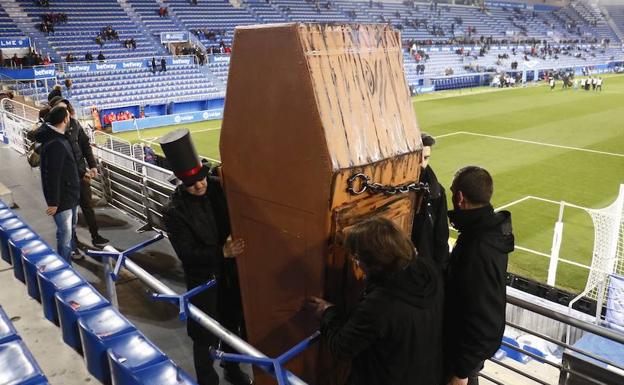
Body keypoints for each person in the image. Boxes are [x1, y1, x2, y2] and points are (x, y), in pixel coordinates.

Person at [160, 129, 252, 385]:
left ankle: (232, 370)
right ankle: (207, 380)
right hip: (204, 281)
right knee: (204, 337)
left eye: (201, 179)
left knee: (233, 328)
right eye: (192, 183)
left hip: (231, 276)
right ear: (181, 183)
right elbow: (186, 255)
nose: (199, 185)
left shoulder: (217, 188)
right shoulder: (174, 212)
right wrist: (221, 253)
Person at [307, 216, 444, 385]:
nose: (356, 263)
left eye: (358, 257)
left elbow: (342, 347)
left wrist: (327, 312)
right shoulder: (427, 270)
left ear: (376, 264)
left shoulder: (380, 305)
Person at [443, 166, 514, 385]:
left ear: (460, 197)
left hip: (460, 362)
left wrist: (461, 372)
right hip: (464, 355)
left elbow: (485, 319)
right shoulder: (486, 233)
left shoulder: (478, 246)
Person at [49, 97, 109, 248]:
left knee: (87, 207)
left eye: (66, 109)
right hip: (65, 180)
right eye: (62, 110)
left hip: (81, 176)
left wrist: (93, 166)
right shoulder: (51, 131)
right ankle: (73, 242)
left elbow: (85, 146)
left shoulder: (75, 124)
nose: (66, 113)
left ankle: (96, 236)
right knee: (69, 213)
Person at [36, 106, 80, 262]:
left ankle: (68, 256)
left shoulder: (56, 137)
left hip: (69, 195)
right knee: (65, 236)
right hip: (63, 199)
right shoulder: (56, 142)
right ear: (65, 120)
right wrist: (53, 202)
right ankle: (65, 267)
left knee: (68, 231)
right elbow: (52, 174)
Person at [411, 133, 449, 272]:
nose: (422, 164)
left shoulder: (437, 191)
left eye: (426, 158)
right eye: (418, 158)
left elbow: (441, 236)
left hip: (424, 269)